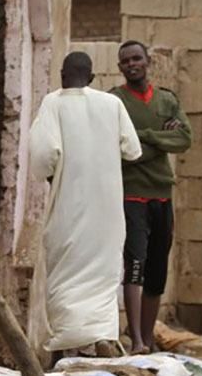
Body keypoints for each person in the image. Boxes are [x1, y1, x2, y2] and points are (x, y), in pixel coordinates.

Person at [29, 51, 142, 358]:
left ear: (62, 76)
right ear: (92, 78)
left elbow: (42, 157)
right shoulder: (112, 104)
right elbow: (132, 150)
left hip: (69, 205)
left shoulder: (54, 103)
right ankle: (104, 339)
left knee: (65, 275)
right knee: (104, 276)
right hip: (107, 210)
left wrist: (55, 176)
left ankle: (63, 348)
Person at [112, 40, 192, 354]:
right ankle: (137, 341)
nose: (132, 64)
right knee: (135, 265)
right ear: (120, 67)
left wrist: (144, 137)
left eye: (137, 59)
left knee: (158, 268)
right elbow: (122, 153)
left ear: (148, 62)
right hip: (132, 196)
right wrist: (161, 140)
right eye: (126, 61)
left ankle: (148, 340)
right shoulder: (114, 102)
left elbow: (184, 138)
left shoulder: (166, 101)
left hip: (162, 196)